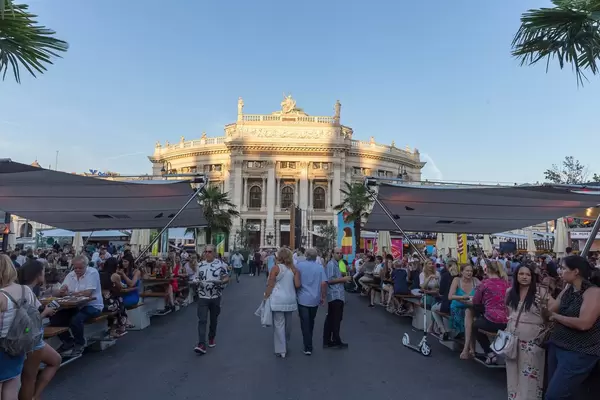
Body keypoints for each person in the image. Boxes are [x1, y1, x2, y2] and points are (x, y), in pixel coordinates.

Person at [544, 255, 600, 400]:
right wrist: (544, 299)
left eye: (563, 268)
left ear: (575, 271)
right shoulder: (568, 290)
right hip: (557, 345)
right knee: (561, 393)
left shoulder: (593, 292)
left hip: (579, 351)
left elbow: (584, 323)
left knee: (554, 395)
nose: (559, 271)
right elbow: (551, 310)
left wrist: (556, 317)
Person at [17, 259, 62, 400]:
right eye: (43, 272)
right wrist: (45, 313)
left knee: (54, 360)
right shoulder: (27, 291)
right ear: (38, 275)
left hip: (23, 338)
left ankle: (35, 396)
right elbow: (30, 321)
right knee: (29, 378)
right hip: (30, 338)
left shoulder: (19, 288)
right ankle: (33, 397)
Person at [0, 255, 43, 400]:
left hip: (1, 346)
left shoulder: (1, 296)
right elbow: (37, 311)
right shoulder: (26, 290)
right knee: (12, 386)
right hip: (18, 345)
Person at [505, 261, 546, 400]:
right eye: (521, 274)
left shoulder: (540, 292)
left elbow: (549, 314)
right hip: (512, 337)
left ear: (532, 277)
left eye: (527, 274)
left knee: (530, 373)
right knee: (512, 369)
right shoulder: (510, 292)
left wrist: (544, 306)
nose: (524, 277)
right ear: (516, 276)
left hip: (532, 339)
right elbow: (509, 312)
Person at [49, 254, 104, 357]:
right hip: (75, 306)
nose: (77, 270)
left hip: (93, 306)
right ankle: (68, 341)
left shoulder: (92, 273)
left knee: (76, 319)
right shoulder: (70, 275)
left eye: (80, 268)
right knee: (54, 318)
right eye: (75, 268)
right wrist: (61, 291)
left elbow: (88, 293)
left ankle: (80, 343)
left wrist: (69, 293)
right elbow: (59, 292)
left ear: (86, 266)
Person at [471, 260, 510, 365]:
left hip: (492, 321)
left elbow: (475, 301)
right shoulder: (507, 283)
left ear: (487, 269)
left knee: (474, 325)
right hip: (507, 321)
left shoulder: (485, 284)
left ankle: (489, 353)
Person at [264, 248, 301, 358]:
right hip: (290, 299)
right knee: (288, 324)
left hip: (278, 299)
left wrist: (266, 296)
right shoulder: (294, 269)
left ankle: (281, 350)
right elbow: (298, 285)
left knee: (279, 324)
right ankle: (286, 341)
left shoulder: (275, 268)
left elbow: (270, 284)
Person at [193, 245, 229, 354]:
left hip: (215, 296)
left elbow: (227, 277)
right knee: (202, 320)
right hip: (203, 296)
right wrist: (195, 282)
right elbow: (196, 277)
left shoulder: (221, 264)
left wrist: (221, 282)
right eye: (205, 251)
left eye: (209, 251)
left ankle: (211, 337)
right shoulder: (200, 265)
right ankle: (201, 344)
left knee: (213, 319)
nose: (207, 253)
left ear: (214, 253)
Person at [295, 248, 327, 355]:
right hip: (315, 298)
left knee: (304, 322)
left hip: (302, 298)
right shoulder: (320, 267)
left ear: (306, 255)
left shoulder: (299, 265)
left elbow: (296, 281)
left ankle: (308, 346)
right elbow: (323, 283)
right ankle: (309, 340)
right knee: (311, 321)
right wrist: (323, 297)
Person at [323, 247, 352, 349]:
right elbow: (329, 280)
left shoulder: (338, 263)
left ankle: (328, 340)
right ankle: (335, 339)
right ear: (332, 254)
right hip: (335, 294)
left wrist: (344, 275)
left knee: (333, 318)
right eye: (337, 253)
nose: (339, 255)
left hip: (338, 293)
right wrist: (343, 279)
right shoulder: (331, 264)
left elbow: (338, 276)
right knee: (335, 318)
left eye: (340, 253)